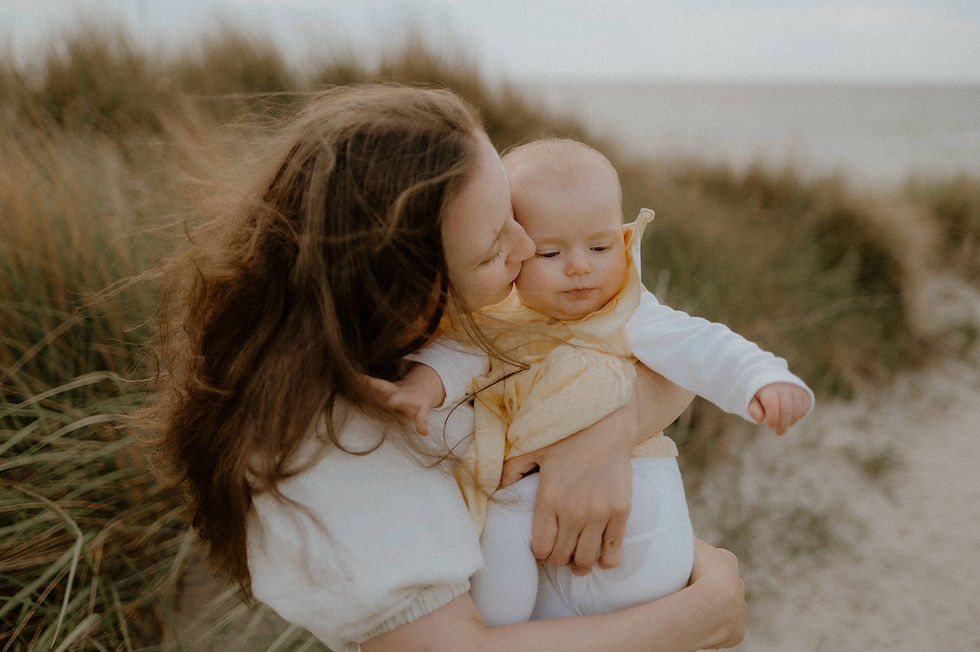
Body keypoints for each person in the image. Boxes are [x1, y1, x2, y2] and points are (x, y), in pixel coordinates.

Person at [154, 83, 748, 652]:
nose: (523, 250)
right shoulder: (332, 446)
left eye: (513, 218)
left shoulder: (448, 329)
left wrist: (602, 432)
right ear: (399, 289)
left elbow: (659, 360)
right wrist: (703, 614)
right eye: (493, 247)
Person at [381, 138, 813, 626]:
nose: (580, 266)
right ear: (512, 247)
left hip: (638, 527)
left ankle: (502, 625)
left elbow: (701, 345)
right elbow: (455, 356)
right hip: (540, 540)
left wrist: (762, 378)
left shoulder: (630, 313)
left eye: (600, 245)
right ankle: (499, 627)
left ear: (624, 237)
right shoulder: (497, 321)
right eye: (549, 253)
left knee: (519, 517)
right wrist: (421, 388)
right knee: (503, 529)